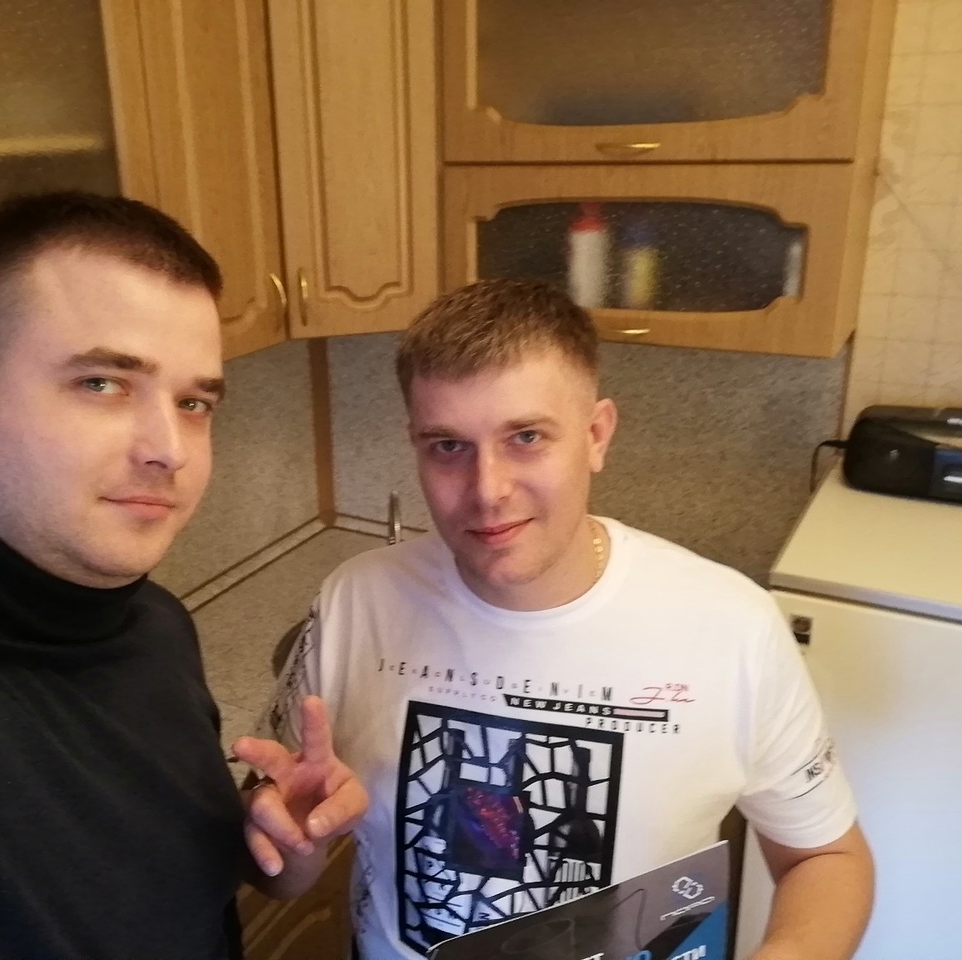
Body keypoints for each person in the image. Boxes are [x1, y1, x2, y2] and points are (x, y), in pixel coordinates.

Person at [0, 191, 364, 959]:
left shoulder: (156, 624)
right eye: (102, 383)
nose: (169, 449)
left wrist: (287, 852)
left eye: (194, 402)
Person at [265, 278, 874, 960]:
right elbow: (286, 873)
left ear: (596, 435)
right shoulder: (355, 602)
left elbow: (827, 858)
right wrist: (296, 845)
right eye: (448, 446)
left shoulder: (733, 628)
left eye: (526, 437)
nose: (488, 490)